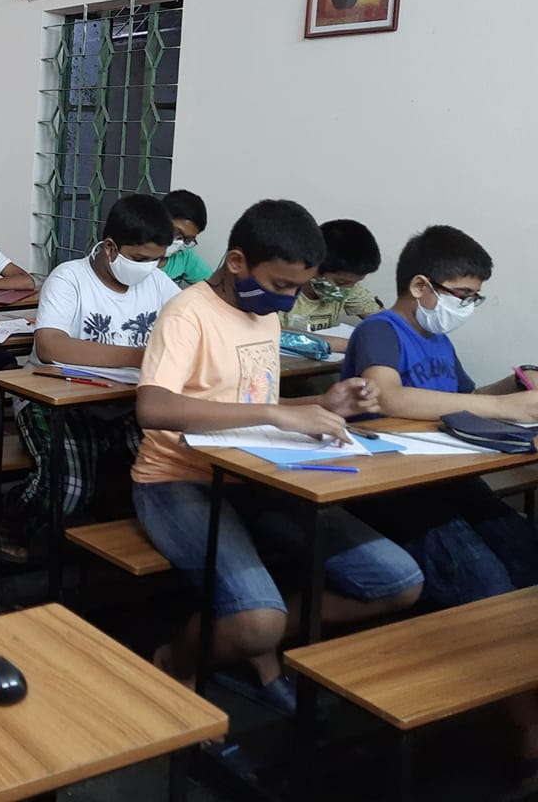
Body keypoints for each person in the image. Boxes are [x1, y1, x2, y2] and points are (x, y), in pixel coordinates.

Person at [132, 200, 423, 713]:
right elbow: (153, 407)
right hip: (177, 479)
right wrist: (275, 413)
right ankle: (176, 661)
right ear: (237, 261)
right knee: (256, 619)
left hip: (258, 474)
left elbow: (249, 404)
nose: (288, 300)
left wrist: (321, 404)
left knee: (399, 582)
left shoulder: (262, 313)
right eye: (282, 285)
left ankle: (259, 638)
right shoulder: (187, 313)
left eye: (298, 287)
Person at [340, 225, 538, 774]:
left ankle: (516, 693)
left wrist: (515, 386)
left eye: (475, 297)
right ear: (421, 286)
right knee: (484, 586)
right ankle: (523, 726)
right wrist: (504, 410)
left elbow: (464, 400)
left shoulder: (439, 340)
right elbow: (388, 396)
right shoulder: (380, 330)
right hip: (394, 488)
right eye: (463, 295)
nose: (468, 306)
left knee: (525, 553)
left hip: (448, 477)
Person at [3, 195, 178, 561]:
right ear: (110, 247)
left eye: (158, 259)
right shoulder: (70, 278)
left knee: (168, 469)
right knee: (68, 487)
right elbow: (51, 345)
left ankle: (123, 546)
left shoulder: (159, 284)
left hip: (126, 401)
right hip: (54, 400)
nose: (150, 267)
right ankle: (8, 522)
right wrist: (141, 355)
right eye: (140, 259)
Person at [278, 219, 384, 351]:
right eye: (341, 283)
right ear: (313, 267)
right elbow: (276, 335)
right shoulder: (281, 290)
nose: (348, 289)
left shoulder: (350, 289)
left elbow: (386, 323)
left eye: (355, 283)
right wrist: (350, 345)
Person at [161, 189, 213, 287]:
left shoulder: (184, 256)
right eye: (176, 233)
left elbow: (215, 286)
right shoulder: (136, 250)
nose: (179, 243)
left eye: (188, 240)